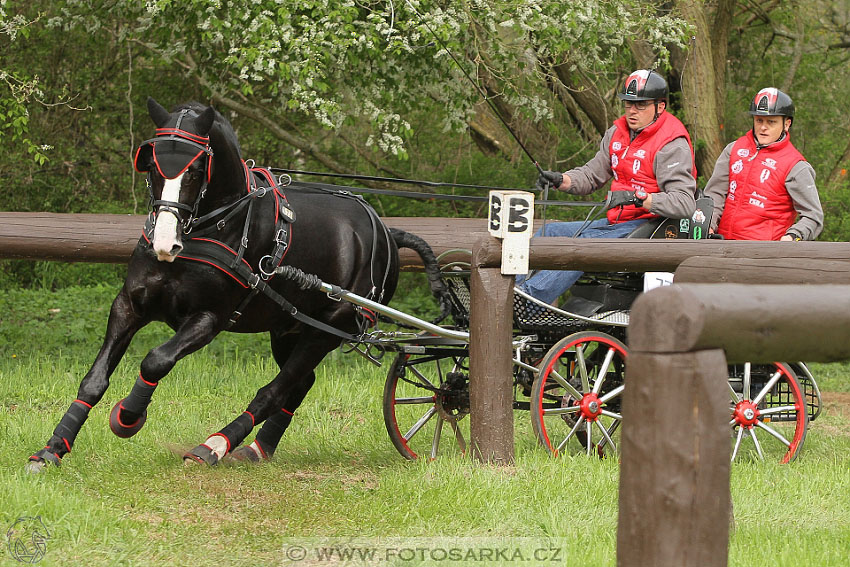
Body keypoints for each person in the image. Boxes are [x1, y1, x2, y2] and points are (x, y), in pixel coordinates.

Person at [517, 69, 697, 304]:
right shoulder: (617, 132)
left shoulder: (672, 142)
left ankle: (529, 300)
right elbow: (592, 174)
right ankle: (513, 288)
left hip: (648, 227)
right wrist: (561, 179)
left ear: (660, 107)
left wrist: (643, 199)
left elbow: (684, 202)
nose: (632, 111)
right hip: (617, 222)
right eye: (628, 104)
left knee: (585, 245)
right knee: (548, 233)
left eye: (640, 105)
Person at [704, 87, 823, 241]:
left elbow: (813, 216)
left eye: (771, 122)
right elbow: (714, 194)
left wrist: (793, 236)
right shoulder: (734, 149)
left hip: (764, 255)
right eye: (759, 120)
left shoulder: (796, 166)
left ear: (786, 124)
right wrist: (708, 223)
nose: (763, 127)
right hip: (722, 246)